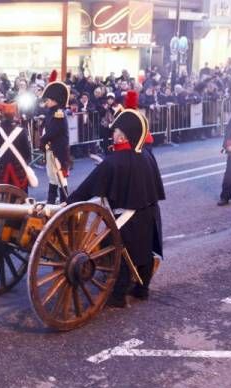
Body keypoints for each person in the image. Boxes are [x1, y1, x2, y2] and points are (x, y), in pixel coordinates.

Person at [67, 109, 164, 307]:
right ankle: (142, 290)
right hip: (149, 211)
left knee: (119, 252)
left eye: (116, 131)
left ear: (122, 135)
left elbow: (87, 188)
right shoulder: (146, 155)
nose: (113, 135)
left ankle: (119, 296)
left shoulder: (113, 162)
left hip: (125, 216)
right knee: (145, 250)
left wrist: (69, 202)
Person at [0, 102, 33, 192]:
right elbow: (27, 153)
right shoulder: (22, 131)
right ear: (14, 115)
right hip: (19, 169)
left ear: (2, 114)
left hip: (2, 168)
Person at [39, 70, 71, 204]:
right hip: (52, 149)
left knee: (60, 178)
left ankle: (65, 202)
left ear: (54, 100)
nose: (47, 102)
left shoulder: (58, 113)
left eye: (49, 100)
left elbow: (52, 132)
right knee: (53, 177)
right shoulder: (51, 112)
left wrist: (43, 139)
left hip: (58, 150)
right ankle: (51, 202)